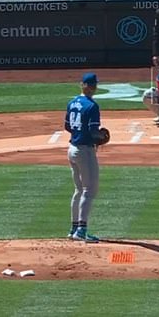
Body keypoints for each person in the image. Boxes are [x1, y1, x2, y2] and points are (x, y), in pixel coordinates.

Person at [65, 72, 109, 243]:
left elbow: (68, 126)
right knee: (90, 190)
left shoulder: (72, 102)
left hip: (72, 149)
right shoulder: (92, 106)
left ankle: (74, 228)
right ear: (93, 86)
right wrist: (99, 137)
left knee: (78, 190)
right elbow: (92, 131)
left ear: (81, 85)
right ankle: (81, 231)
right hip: (85, 151)